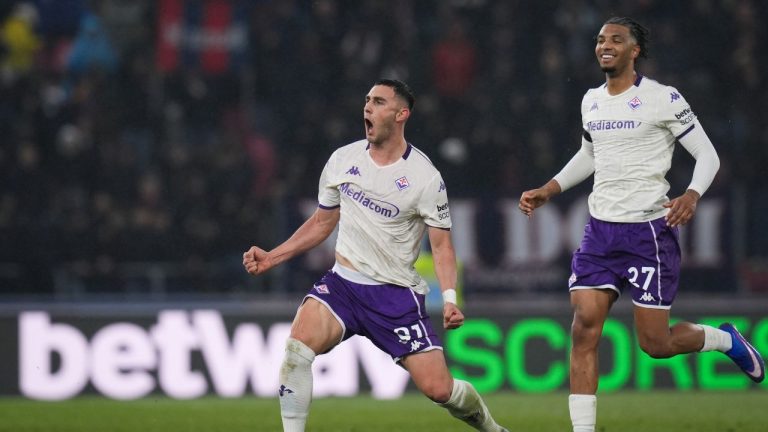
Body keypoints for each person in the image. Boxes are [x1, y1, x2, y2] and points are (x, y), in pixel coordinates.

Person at [518, 17, 764, 432]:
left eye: (616, 39)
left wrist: (691, 194)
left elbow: (708, 155)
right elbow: (590, 154)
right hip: (600, 232)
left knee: (655, 344)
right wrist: (550, 188)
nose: (605, 45)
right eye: (600, 39)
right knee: (583, 328)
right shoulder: (591, 100)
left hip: (648, 233)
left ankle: (725, 339)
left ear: (635, 50)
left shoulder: (663, 98)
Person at [244, 79, 508, 432]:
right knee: (297, 352)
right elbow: (322, 222)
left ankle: (493, 429)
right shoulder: (343, 160)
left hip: (394, 296)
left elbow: (442, 245)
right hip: (343, 286)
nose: (368, 107)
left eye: (379, 102)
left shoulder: (425, 177)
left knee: (439, 390)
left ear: (401, 114)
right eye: (367, 100)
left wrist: (449, 299)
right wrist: (273, 257)